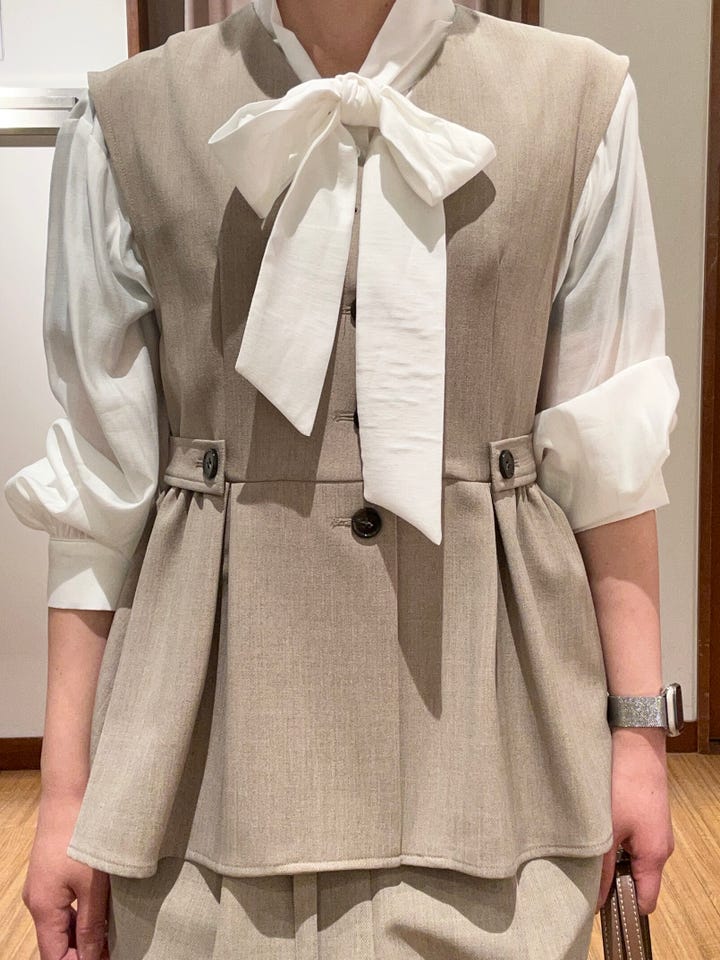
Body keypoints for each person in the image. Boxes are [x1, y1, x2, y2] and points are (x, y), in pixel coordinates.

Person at [4, 0, 680, 957]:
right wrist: (68, 792)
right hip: (207, 758)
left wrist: (639, 740)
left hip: (495, 747)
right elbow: (99, 492)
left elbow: (611, 465)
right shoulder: (130, 117)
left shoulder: (578, 99)